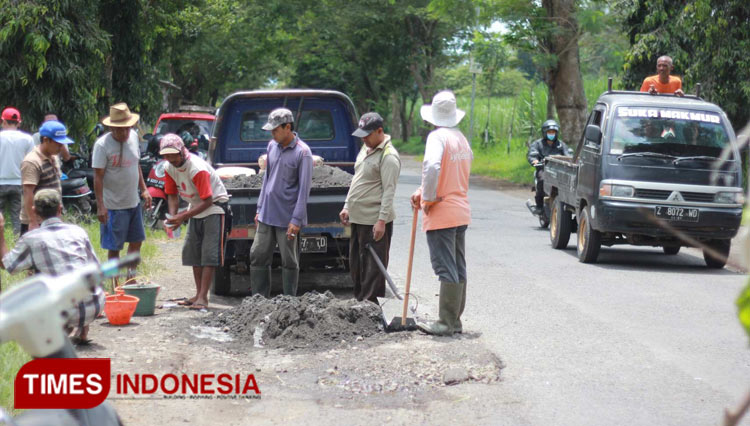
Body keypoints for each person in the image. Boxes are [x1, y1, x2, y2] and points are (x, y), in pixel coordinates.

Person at [0, 189, 102, 344]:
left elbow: (8, 265)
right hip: (95, 304)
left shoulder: (31, 239)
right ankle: (82, 327)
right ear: (60, 209)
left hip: (64, 310)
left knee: (30, 288)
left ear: (34, 211)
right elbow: (95, 269)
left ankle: (56, 333)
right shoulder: (78, 231)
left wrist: (1, 231)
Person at [410, 90, 473, 336]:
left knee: (446, 267)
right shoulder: (461, 139)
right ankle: (455, 321)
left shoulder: (437, 138)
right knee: (458, 266)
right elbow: (449, 173)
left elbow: (433, 166)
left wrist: (428, 197)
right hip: (460, 210)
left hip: (442, 212)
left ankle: (445, 323)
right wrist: (422, 189)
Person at [160, 133, 229, 311]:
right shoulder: (168, 167)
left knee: (208, 255)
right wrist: (173, 216)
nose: (170, 159)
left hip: (214, 208)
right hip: (196, 207)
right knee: (193, 253)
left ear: (182, 152)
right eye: (166, 155)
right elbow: (172, 194)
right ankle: (198, 294)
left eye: (172, 155)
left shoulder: (196, 168)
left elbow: (208, 200)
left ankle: (203, 297)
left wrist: (183, 217)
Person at [250, 108, 313, 298]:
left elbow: (304, 191)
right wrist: (259, 208)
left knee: (289, 261)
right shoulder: (272, 146)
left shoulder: (303, 153)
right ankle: (259, 299)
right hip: (266, 214)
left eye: (275, 129)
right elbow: (267, 179)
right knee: (258, 255)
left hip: (287, 218)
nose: (272, 134)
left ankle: (289, 301)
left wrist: (296, 220)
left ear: (288, 127)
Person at [339, 112, 401, 303]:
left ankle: (372, 306)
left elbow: (389, 192)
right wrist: (347, 205)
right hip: (357, 218)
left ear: (380, 131)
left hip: (374, 220)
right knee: (356, 264)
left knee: (373, 268)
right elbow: (357, 180)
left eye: (367, 135)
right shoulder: (366, 149)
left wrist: (381, 221)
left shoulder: (388, 157)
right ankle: (360, 302)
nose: (364, 139)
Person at [92, 103, 152, 279]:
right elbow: (98, 177)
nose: (124, 133)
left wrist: (144, 189)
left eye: (127, 129)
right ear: (111, 128)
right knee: (114, 248)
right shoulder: (102, 146)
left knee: (136, 242)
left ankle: (130, 279)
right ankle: (114, 284)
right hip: (113, 205)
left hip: (133, 202)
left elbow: (136, 165)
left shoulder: (133, 137)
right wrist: (100, 206)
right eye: (119, 130)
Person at [20, 120, 72, 233]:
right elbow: (27, 193)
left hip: (52, 219)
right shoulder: (32, 161)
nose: (61, 147)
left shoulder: (54, 157)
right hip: (38, 221)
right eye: (58, 143)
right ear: (46, 140)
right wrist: (32, 221)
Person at [0, 107, 34, 235]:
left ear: (3, 121)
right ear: (19, 123)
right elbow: (32, 161)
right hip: (20, 182)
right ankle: (18, 241)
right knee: (18, 217)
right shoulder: (27, 139)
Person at [526, 120, 571, 215]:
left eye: (553, 132)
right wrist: (535, 161)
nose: (551, 134)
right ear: (544, 133)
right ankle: (539, 206)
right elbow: (532, 155)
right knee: (542, 180)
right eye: (549, 132)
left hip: (559, 172)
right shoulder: (538, 144)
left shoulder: (561, 145)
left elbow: (568, 156)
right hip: (543, 170)